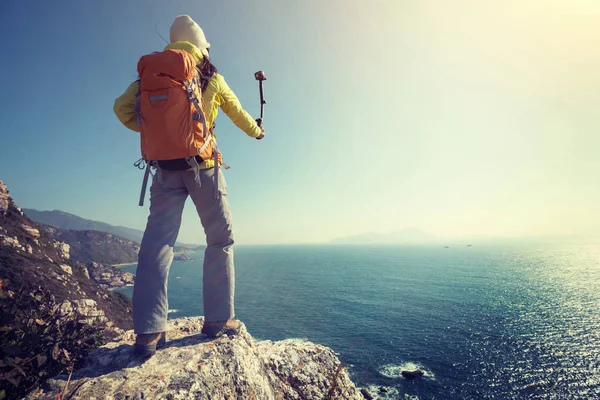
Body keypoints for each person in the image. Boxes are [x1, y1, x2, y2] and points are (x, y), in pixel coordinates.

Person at [113, 14, 264, 356]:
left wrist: (157, 131)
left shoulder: (150, 74)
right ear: (201, 46)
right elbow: (238, 112)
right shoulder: (210, 75)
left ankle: (148, 333)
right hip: (204, 168)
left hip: (164, 171)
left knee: (157, 244)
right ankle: (218, 320)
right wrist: (256, 131)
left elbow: (121, 110)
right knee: (220, 238)